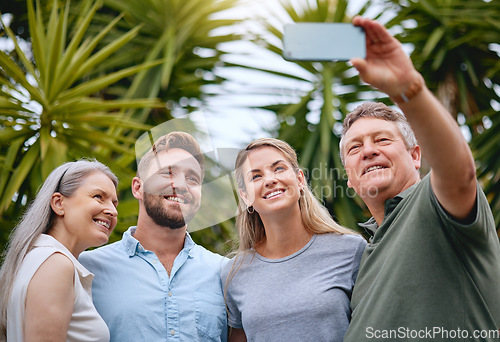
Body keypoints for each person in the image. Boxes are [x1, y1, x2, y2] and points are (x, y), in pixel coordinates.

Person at [339, 17, 500, 341]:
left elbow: (459, 174)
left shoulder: (434, 203)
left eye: (382, 140)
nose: (368, 151)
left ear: (415, 156)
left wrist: (409, 89)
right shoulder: (364, 255)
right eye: (355, 147)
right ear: (350, 181)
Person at [79, 132, 228, 342]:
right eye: (168, 173)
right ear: (138, 188)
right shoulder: (86, 270)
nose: (181, 185)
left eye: (192, 178)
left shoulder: (225, 273)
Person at [221, 138, 366, 342]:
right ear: (245, 197)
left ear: (300, 180)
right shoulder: (234, 273)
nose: (270, 180)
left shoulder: (351, 250)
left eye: (278, 169)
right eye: (256, 176)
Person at [0, 159, 119, 342]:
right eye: (98, 197)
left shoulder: (38, 259)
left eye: (115, 203)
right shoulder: (55, 264)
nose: (112, 211)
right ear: (58, 203)